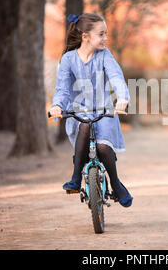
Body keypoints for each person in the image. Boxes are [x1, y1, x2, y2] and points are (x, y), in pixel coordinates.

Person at [48, 13, 133, 208]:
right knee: (84, 125)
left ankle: (116, 184)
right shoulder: (68, 59)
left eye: (106, 34)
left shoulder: (105, 55)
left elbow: (116, 77)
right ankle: (76, 177)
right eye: (101, 34)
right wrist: (57, 106)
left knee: (103, 147)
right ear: (85, 36)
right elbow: (62, 88)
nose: (105, 38)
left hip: (104, 111)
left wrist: (122, 98)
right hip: (78, 112)